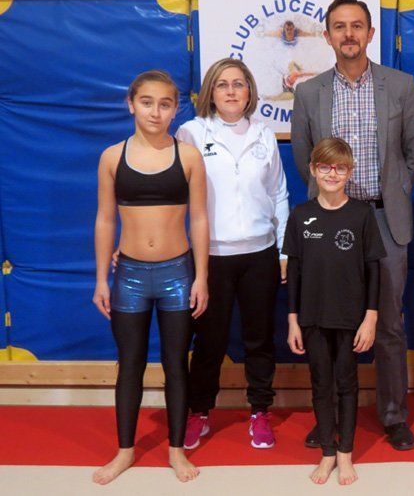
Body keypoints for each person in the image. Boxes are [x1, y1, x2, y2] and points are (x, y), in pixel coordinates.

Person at [291, 0, 414, 450]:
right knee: (326, 321)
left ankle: (392, 416)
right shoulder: (309, 93)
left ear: (371, 33)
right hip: (329, 220)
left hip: (384, 219)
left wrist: (391, 196)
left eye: (357, 26)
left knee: (387, 323)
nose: (349, 34)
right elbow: (304, 156)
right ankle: (326, 417)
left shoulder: (400, 86)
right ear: (327, 36)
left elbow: (411, 155)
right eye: (339, 26)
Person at [92, 70, 209, 484]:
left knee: (177, 364)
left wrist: (202, 277)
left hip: (179, 273)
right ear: (131, 104)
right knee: (130, 366)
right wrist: (101, 280)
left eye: (164, 104)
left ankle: (176, 451)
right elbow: (106, 219)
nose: (155, 112)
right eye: (147, 102)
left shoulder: (189, 157)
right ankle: (125, 451)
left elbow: (199, 219)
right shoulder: (111, 157)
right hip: (130, 278)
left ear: (176, 108)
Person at [175, 58, 289, 450]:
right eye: (222, 84)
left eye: (238, 84)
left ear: (249, 91)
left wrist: (283, 249)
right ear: (210, 91)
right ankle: (199, 412)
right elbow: (176, 196)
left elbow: (279, 195)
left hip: (259, 254)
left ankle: (260, 411)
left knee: (259, 339)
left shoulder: (264, 135)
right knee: (210, 340)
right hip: (212, 257)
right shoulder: (191, 133)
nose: (230, 91)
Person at [284, 137, 386, 485]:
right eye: (325, 167)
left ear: (349, 172)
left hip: (349, 318)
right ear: (313, 170)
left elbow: (374, 270)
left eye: (340, 168)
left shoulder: (362, 214)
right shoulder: (301, 215)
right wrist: (293, 320)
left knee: (346, 383)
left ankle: (346, 455)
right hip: (312, 317)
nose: (332, 173)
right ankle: (328, 452)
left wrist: (370, 317)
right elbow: (293, 272)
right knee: (320, 384)